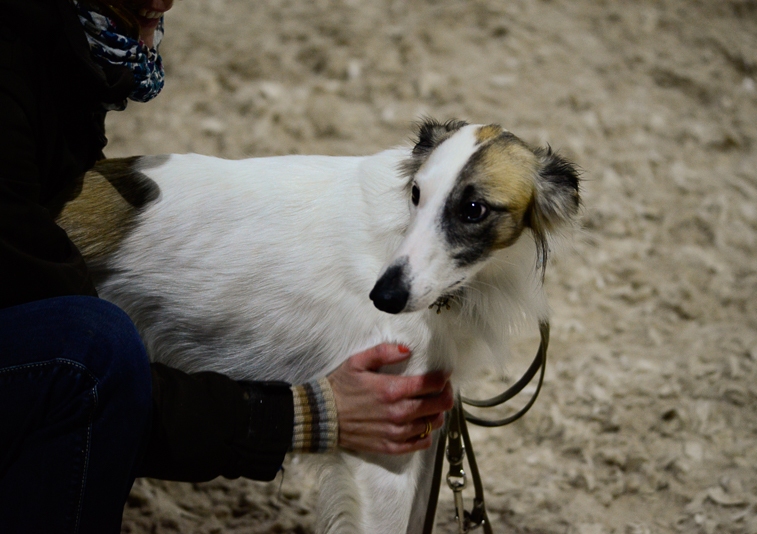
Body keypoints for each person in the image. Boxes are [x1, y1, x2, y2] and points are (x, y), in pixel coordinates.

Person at [0, 0, 454, 531]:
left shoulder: (71, 46)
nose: (164, 4)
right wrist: (305, 414)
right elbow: (86, 369)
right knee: (92, 349)